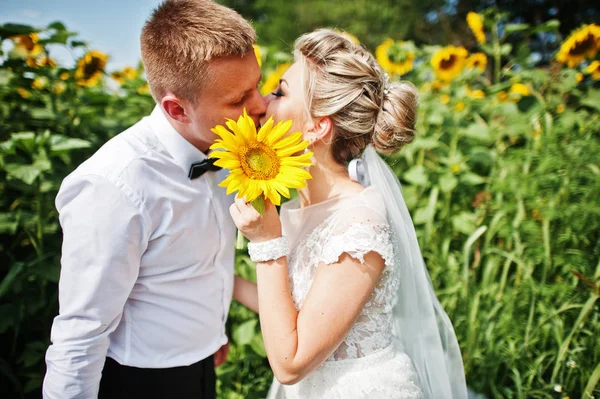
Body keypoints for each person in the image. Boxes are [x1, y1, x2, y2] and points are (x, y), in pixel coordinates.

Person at [42, 1, 267, 398]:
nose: (261, 105)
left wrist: (209, 331)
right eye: (238, 99)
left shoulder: (226, 146)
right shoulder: (114, 185)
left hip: (204, 363)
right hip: (138, 381)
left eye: (258, 86)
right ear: (176, 108)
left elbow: (201, 262)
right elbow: (81, 334)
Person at [231, 29, 468, 398]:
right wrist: (216, 279)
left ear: (316, 127)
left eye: (279, 92)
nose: (261, 102)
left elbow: (290, 362)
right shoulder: (298, 205)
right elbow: (291, 312)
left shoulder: (359, 220)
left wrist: (266, 243)